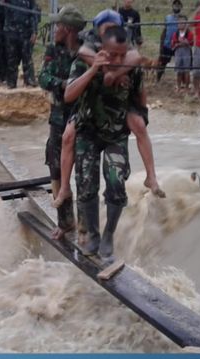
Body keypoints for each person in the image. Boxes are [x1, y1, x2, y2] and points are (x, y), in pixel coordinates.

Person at [54, 11, 165, 218]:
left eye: (113, 26)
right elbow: (85, 53)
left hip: (123, 101)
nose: (109, 30)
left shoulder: (124, 39)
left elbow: (135, 57)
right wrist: (106, 72)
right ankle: (64, 188)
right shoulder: (91, 39)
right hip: (91, 102)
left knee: (139, 126)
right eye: (105, 27)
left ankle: (151, 176)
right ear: (98, 29)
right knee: (68, 136)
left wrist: (118, 73)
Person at [63, 26, 145, 261]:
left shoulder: (132, 68)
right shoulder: (84, 62)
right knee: (86, 186)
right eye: (112, 54)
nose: (118, 59)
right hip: (88, 132)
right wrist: (94, 70)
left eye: (122, 54)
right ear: (102, 50)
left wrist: (140, 120)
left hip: (116, 134)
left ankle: (108, 234)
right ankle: (93, 234)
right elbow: (69, 95)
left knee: (116, 185)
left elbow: (141, 101)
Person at [38, 6, 87, 240]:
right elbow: (43, 78)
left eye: (58, 26)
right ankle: (65, 222)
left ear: (67, 29)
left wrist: (73, 85)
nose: (55, 29)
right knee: (56, 169)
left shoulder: (86, 51)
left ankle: (87, 225)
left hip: (81, 117)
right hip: (59, 117)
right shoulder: (53, 49)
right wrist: (65, 84)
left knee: (85, 172)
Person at [3, 0, 39, 88]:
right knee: (12, 58)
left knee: (27, 57)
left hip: (26, 32)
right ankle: (11, 82)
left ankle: (29, 80)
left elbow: (34, 14)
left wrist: (34, 32)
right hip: (11, 31)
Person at [156, 0, 183, 82]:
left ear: (181, 7)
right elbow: (164, 31)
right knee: (162, 62)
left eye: (178, 5)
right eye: (175, 5)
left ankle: (181, 82)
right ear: (172, 7)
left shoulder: (183, 18)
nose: (176, 7)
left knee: (180, 64)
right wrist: (161, 44)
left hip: (178, 45)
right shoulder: (167, 17)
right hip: (167, 44)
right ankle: (158, 80)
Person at [171, 16, 194, 92]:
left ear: (186, 24)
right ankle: (178, 87)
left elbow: (191, 43)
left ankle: (187, 87)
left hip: (186, 52)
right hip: (178, 53)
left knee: (186, 70)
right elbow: (173, 45)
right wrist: (177, 44)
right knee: (179, 70)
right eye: (179, 23)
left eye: (183, 23)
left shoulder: (189, 33)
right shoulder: (175, 34)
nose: (181, 24)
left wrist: (186, 43)